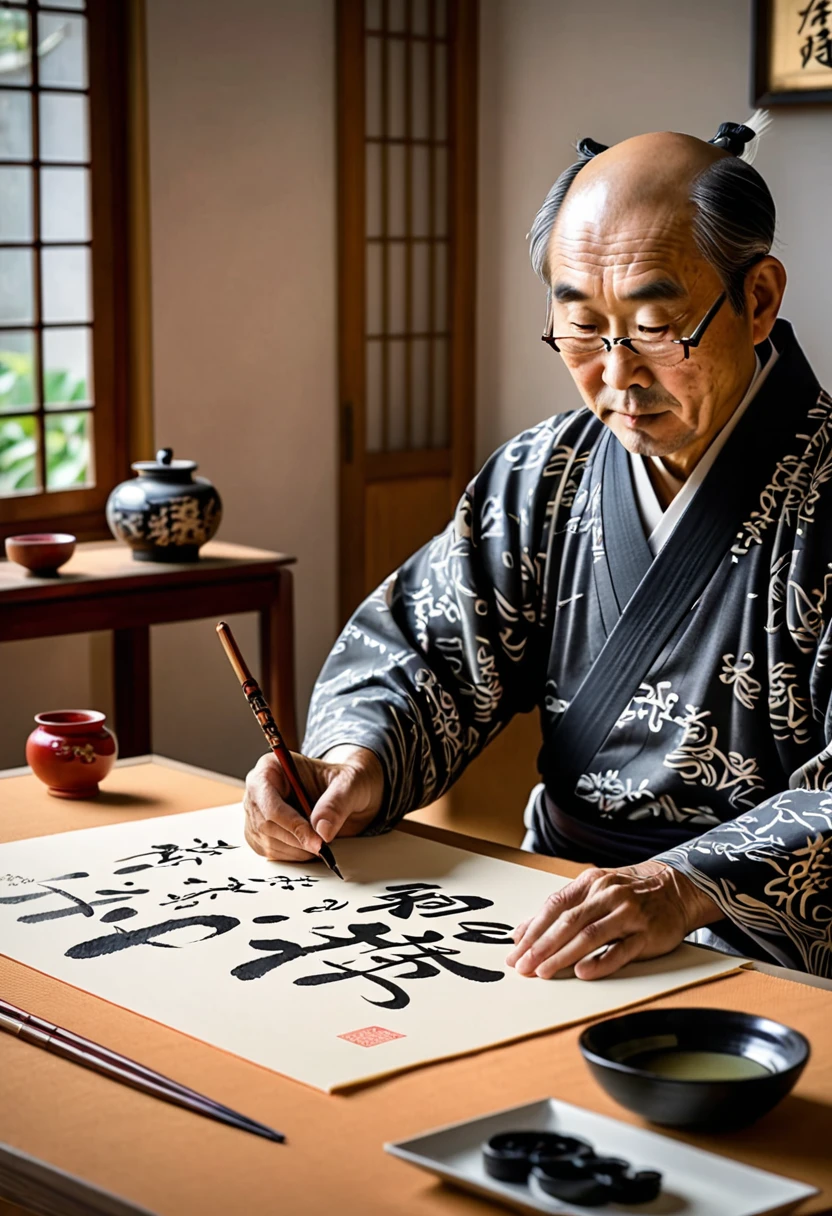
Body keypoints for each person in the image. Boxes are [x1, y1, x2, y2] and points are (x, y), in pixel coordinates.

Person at [244, 115, 832, 980]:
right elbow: (428, 653)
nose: (618, 375)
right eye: (583, 331)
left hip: (768, 953)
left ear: (758, 300)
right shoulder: (543, 476)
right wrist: (350, 765)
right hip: (558, 916)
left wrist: (681, 886)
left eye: (657, 327)